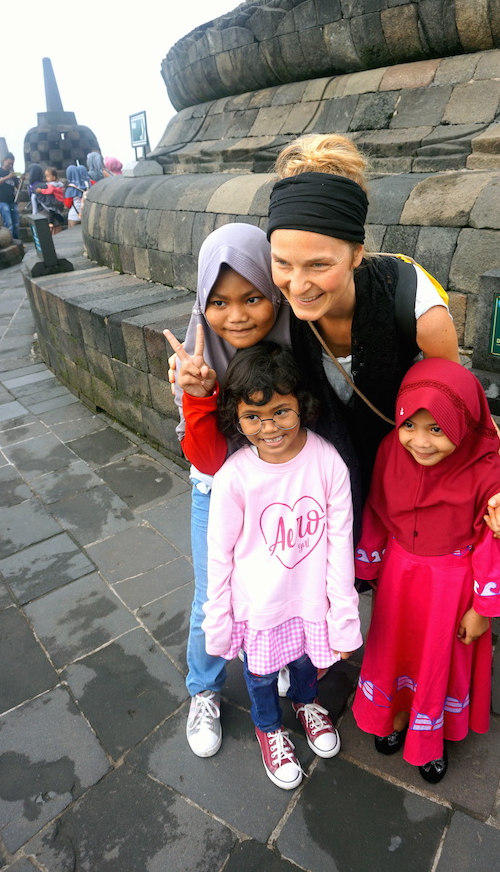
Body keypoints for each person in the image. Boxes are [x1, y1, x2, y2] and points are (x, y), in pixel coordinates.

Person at [266, 134, 500, 538]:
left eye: (318, 265)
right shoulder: (270, 302)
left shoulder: (414, 304)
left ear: (355, 254)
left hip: (401, 476)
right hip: (317, 482)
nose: (298, 285)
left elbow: (458, 398)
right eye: (282, 262)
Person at [202, 342, 362, 789]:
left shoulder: (327, 461)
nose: (268, 427)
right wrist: (219, 617)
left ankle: (307, 703)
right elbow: (219, 554)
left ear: (302, 406)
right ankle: (268, 726)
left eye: (280, 412)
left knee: (309, 661)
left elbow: (339, 543)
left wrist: (343, 616)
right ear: (236, 415)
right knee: (261, 673)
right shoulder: (234, 476)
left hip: (310, 598)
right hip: (259, 603)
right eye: (253, 417)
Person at [353, 358, 500, 784]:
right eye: (411, 425)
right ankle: (397, 714)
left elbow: (491, 538)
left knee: (440, 660)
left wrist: (483, 608)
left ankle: (432, 738)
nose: (421, 442)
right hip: (399, 578)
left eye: (437, 429)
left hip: (453, 588)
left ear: (463, 424)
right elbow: (377, 508)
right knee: (395, 648)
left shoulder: (485, 468)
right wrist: (367, 564)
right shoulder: (391, 449)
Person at [163, 223, 290, 760]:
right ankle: (205, 689)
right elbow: (209, 457)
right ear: (201, 302)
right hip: (216, 493)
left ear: (274, 295)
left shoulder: (294, 346)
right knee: (213, 596)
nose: (236, 316)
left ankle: (279, 656)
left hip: (279, 490)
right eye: (218, 301)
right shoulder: (195, 360)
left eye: (253, 298)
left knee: (278, 584)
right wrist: (198, 395)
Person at [0, 153, 20, 240]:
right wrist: (8, 177)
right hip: (2, 200)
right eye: (8, 163)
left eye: (12, 164)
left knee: (16, 223)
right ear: (4, 161)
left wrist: (21, 180)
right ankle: (10, 241)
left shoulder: (13, 174)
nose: (10, 166)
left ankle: (16, 241)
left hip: (12, 200)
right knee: (9, 222)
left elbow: (18, 188)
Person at [35, 167, 65, 235]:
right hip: (60, 200)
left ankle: (51, 223)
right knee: (56, 211)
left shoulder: (51, 185)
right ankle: (60, 219)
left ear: (54, 177)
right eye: (46, 176)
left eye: (48, 176)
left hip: (55, 200)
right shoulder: (59, 184)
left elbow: (49, 191)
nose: (46, 178)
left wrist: (41, 191)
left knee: (51, 210)